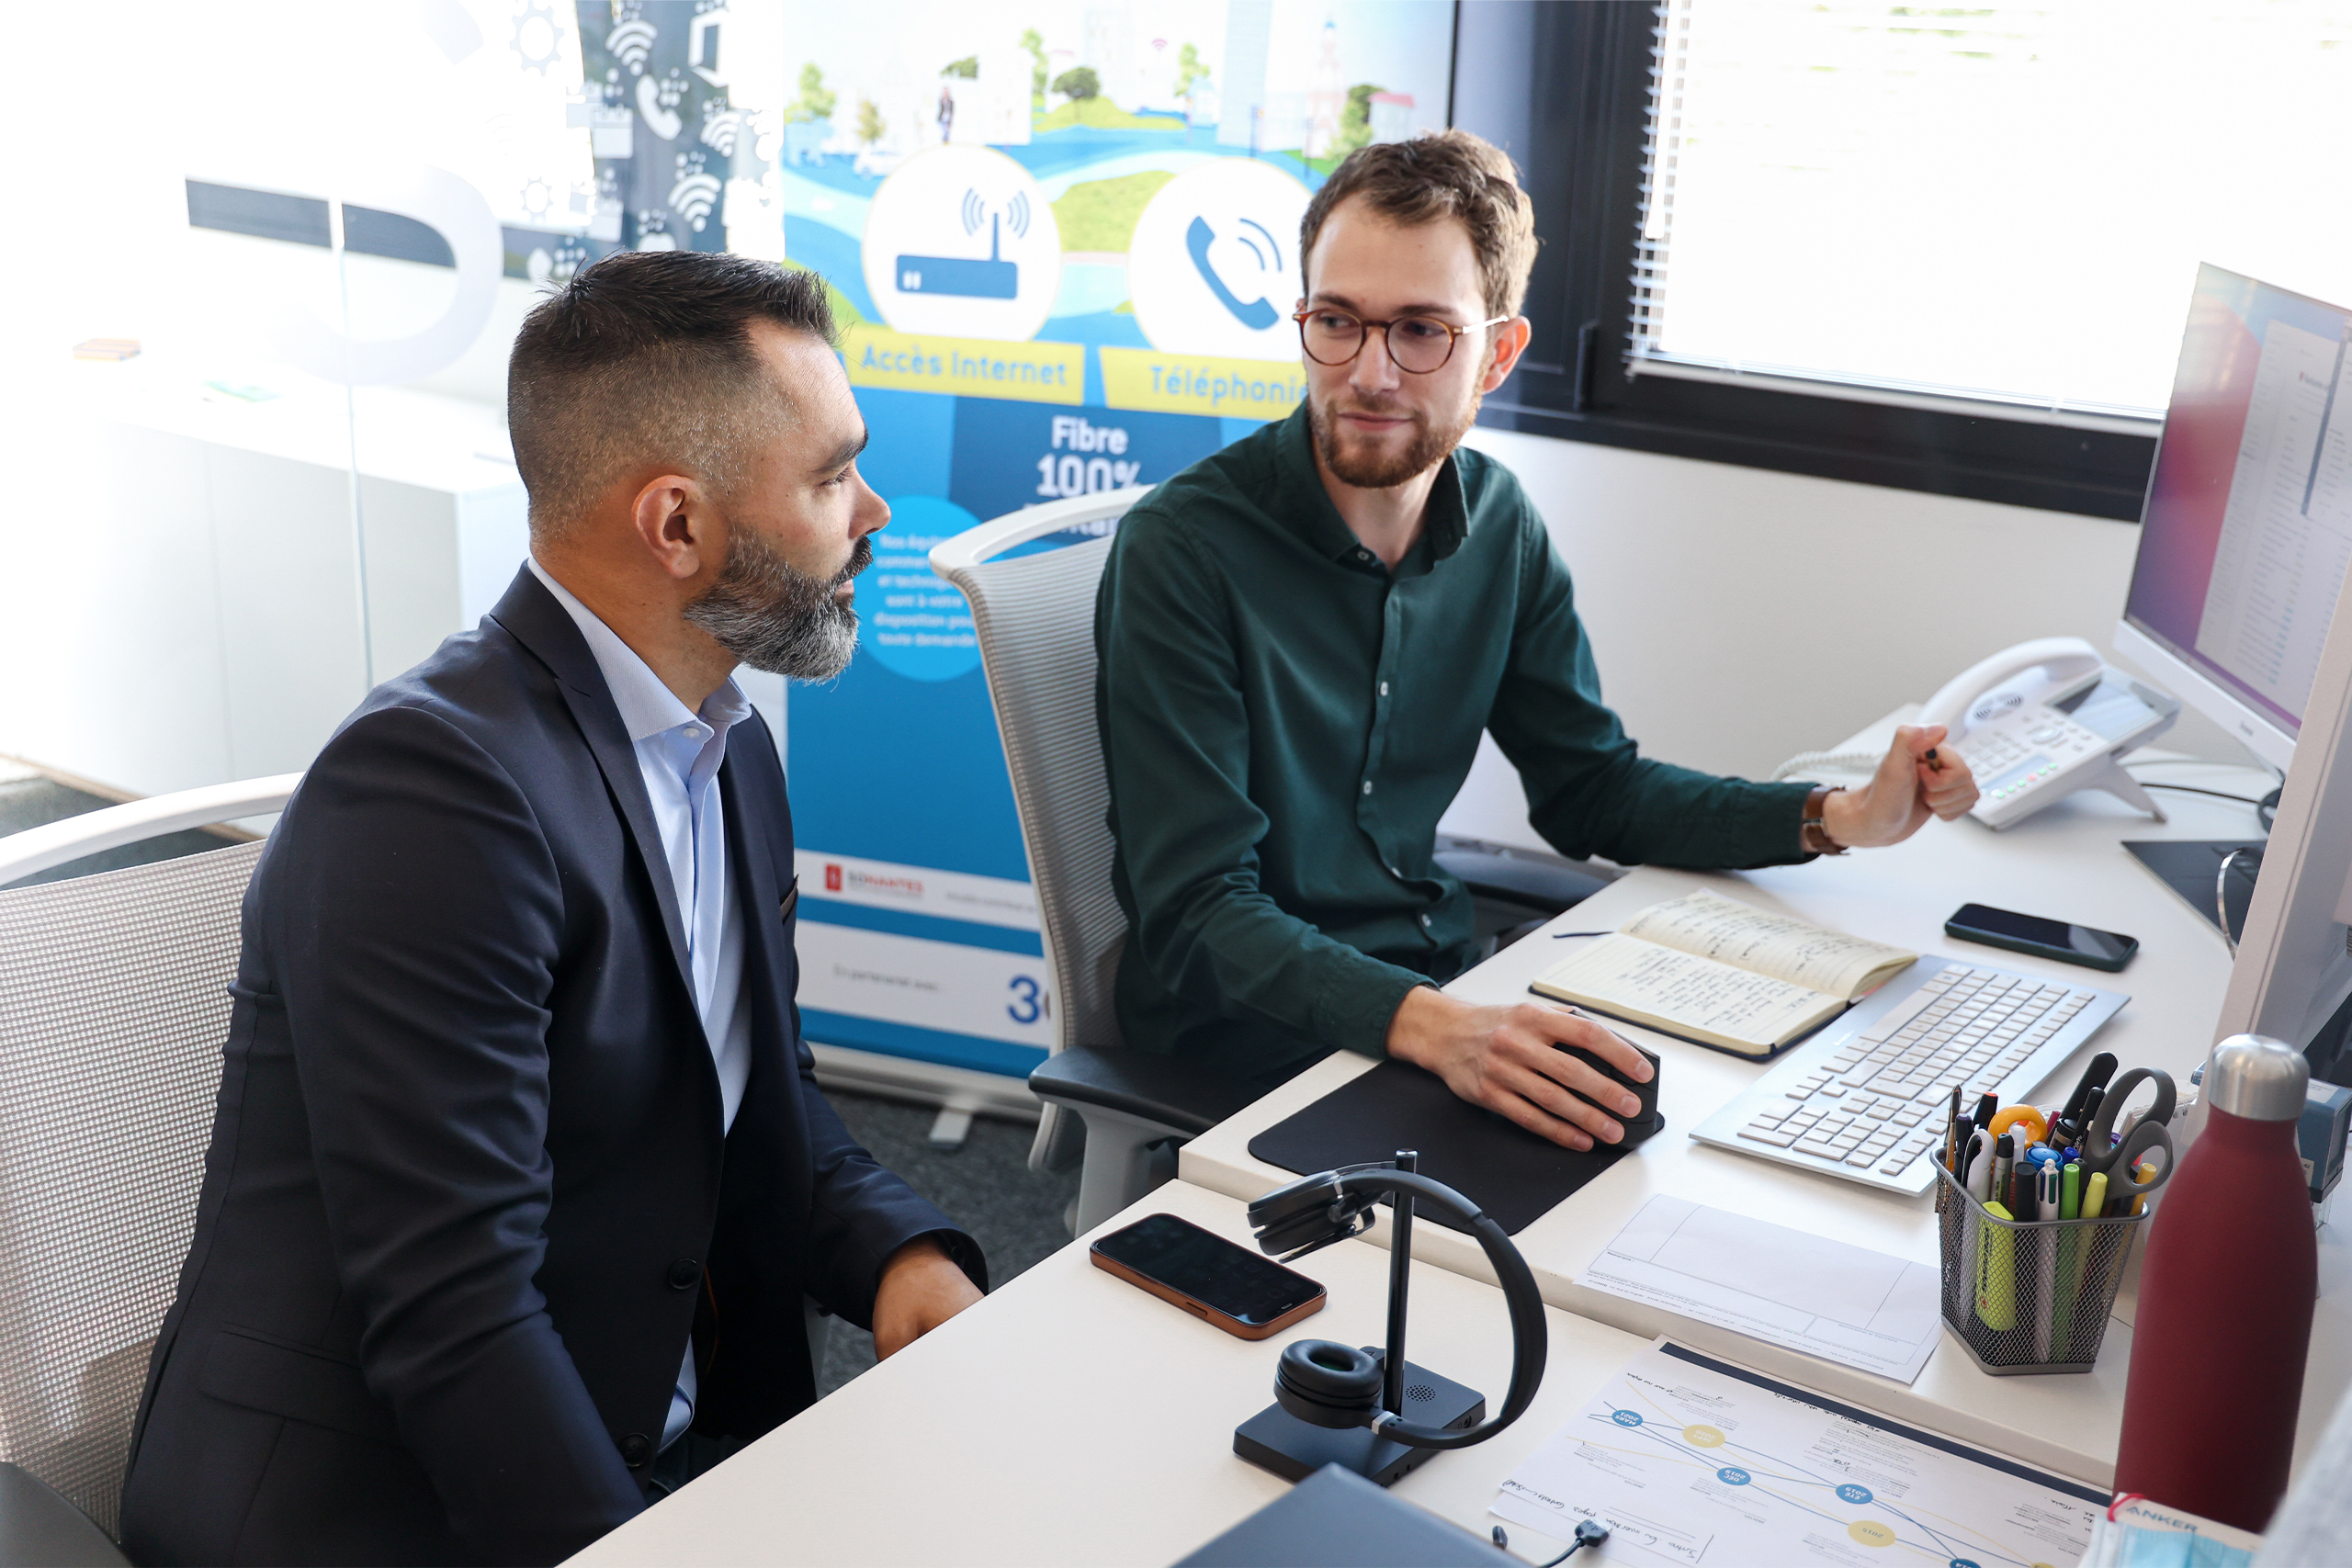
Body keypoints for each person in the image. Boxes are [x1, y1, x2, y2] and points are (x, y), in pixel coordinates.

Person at [120, 252, 986, 1567]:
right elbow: (454, 1307)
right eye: (828, 476)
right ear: (678, 525)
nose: (872, 511)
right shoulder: (431, 793)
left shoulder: (723, 745)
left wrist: (891, 1253)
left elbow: (754, 1092)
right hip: (388, 1503)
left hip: (636, 1432)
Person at [1095, 130, 1979, 1153]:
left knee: (1723, 1130)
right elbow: (1201, 911)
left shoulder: (1498, 524)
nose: (1369, 373)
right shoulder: (1184, 551)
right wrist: (1441, 1030)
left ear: (1498, 353)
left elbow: (1591, 789)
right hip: (1256, 1044)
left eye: (1422, 331)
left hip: (1440, 997)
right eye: (1335, 321)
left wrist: (1840, 816)